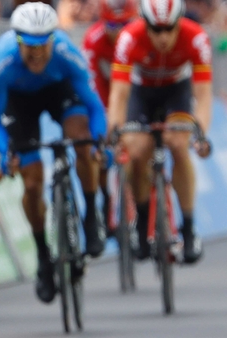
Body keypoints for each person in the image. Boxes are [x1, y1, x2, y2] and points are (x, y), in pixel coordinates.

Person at [0, 2, 107, 304]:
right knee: (32, 181)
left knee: (81, 138)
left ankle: (91, 213)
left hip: (58, 91)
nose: (37, 55)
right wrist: (4, 153)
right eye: (30, 48)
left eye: (43, 47)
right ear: (17, 41)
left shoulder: (67, 54)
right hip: (18, 103)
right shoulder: (2, 61)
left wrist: (98, 141)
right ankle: (43, 255)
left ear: (54, 40)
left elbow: (94, 105)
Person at [107, 0, 212, 264]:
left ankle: (188, 227)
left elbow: (203, 95)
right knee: (137, 150)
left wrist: (200, 135)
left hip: (177, 91)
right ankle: (142, 221)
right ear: (144, 24)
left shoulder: (196, 37)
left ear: (180, 21)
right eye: (155, 29)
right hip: (141, 92)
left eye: (169, 29)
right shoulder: (129, 37)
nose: (163, 37)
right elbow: (119, 94)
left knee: (177, 143)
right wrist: (115, 133)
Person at [82, 0, 139, 233]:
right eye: (113, 26)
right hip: (105, 94)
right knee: (100, 145)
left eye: (126, 25)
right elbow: (92, 86)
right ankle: (105, 199)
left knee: (140, 147)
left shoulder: (142, 37)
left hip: (135, 94)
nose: (120, 33)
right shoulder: (93, 41)